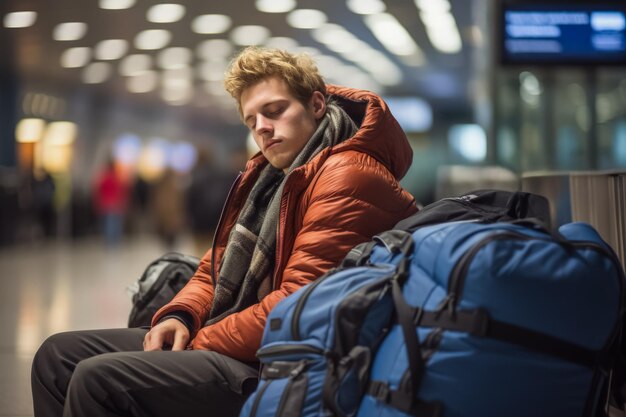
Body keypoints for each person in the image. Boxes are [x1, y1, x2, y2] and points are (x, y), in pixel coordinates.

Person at [31, 46, 419, 417]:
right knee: (57, 355)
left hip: (289, 366)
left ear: (317, 105)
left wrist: (198, 339)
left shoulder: (346, 175)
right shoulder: (273, 178)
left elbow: (296, 308)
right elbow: (212, 272)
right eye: (252, 121)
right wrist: (180, 317)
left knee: (98, 380)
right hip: (248, 340)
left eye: (275, 110)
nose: (263, 129)